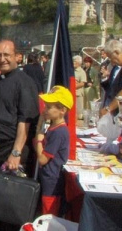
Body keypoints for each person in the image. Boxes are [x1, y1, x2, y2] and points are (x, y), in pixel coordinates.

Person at [0, 40, 39, 231]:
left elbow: (25, 120)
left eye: (6, 55)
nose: (2, 59)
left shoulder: (24, 82)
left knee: (11, 208)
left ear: (17, 57)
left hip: (12, 150)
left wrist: (16, 153)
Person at [33, 86, 73, 216]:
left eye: (49, 107)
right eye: (46, 106)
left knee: (49, 213)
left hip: (52, 180)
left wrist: (39, 140)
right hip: (48, 177)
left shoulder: (59, 132)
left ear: (62, 110)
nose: (45, 110)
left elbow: (42, 159)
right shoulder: (53, 127)